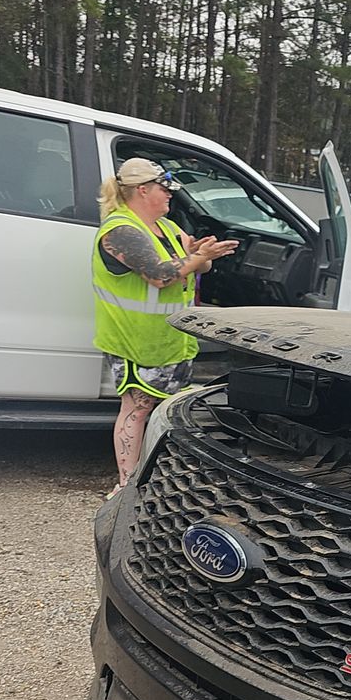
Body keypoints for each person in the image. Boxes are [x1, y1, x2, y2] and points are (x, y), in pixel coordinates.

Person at [92, 158, 236, 495]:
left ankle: (155, 477)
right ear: (143, 190)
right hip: (135, 342)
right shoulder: (120, 231)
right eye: (164, 189)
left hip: (170, 341)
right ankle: (126, 486)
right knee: (137, 409)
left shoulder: (167, 227)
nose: (170, 195)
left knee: (164, 409)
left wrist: (203, 253)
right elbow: (160, 274)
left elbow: (191, 264)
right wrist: (197, 259)